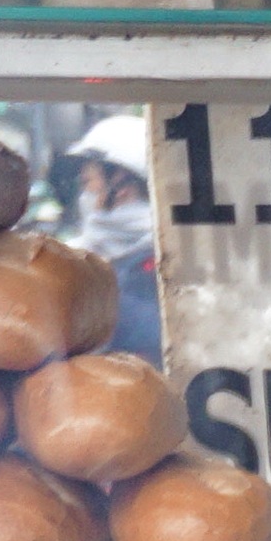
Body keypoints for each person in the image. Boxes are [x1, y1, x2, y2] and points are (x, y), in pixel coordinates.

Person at [61, 112, 163, 361]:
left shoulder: (153, 265)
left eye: (88, 183)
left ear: (121, 185)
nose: (85, 195)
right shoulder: (84, 256)